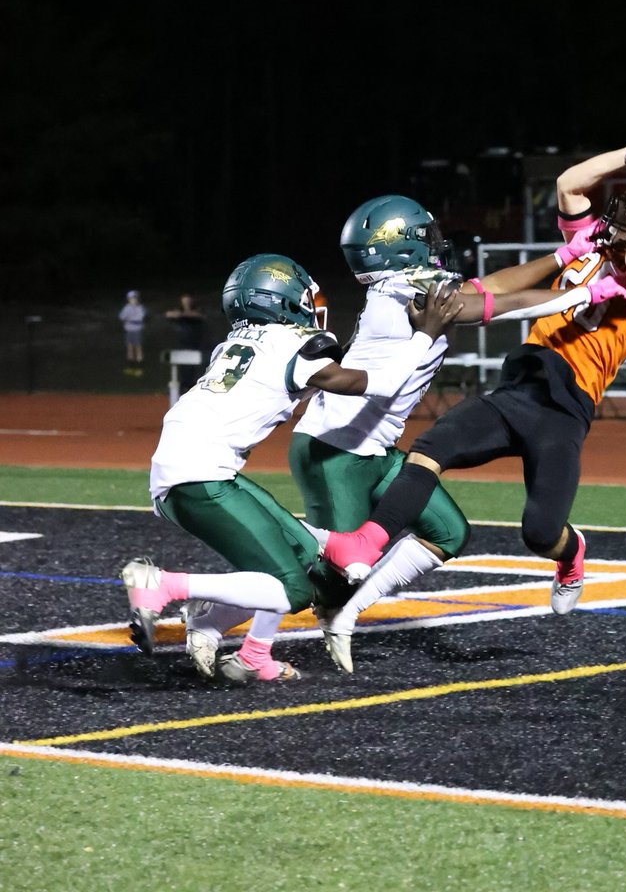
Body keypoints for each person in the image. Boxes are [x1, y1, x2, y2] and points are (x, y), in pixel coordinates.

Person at [180, 196, 626, 677]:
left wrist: (564, 257)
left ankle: (342, 613)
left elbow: (489, 286)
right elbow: (501, 304)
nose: (435, 245)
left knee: (447, 531)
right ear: (397, 247)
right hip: (337, 450)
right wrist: (584, 293)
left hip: (371, 445)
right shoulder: (409, 291)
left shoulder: (409, 285)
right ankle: (213, 616)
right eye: (424, 237)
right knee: (328, 581)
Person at [320, 131, 626, 647]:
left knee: (540, 532)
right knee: (433, 446)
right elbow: (569, 183)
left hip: (566, 409)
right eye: (625, 205)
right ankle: (368, 540)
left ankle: (570, 553)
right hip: (521, 382)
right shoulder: (592, 245)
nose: (622, 214)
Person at [120, 251, 463, 684]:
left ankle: (256, 656)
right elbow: (381, 386)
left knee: (304, 553)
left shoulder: (234, 343)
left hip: (199, 469)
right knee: (292, 588)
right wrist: (425, 336)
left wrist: (339, 542)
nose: (312, 305)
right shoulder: (293, 346)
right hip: (201, 475)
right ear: (281, 300)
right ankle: (167, 585)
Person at [165, 294, 207, 393]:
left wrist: (183, 314)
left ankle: (194, 386)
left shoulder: (196, 309)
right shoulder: (178, 309)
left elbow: (199, 315)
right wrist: (181, 314)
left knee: (195, 367)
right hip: (182, 343)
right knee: (183, 368)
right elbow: (169, 314)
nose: (186, 302)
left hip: (195, 343)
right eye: (184, 300)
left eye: (187, 300)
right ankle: (184, 386)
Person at [119, 289, 147, 374]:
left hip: (138, 330)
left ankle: (140, 367)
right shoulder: (126, 308)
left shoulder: (141, 308)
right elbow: (121, 317)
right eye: (131, 298)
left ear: (138, 299)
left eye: (135, 298)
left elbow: (140, 318)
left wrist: (129, 319)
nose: (133, 300)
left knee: (138, 348)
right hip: (129, 331)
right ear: (128, 299)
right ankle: (131, 367)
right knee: (130, 348)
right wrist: (130, 318)